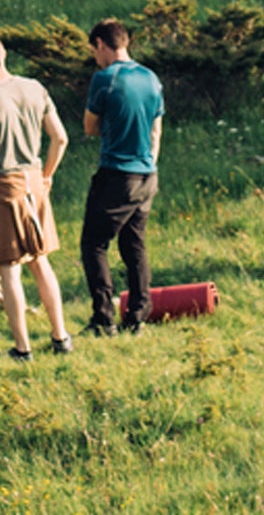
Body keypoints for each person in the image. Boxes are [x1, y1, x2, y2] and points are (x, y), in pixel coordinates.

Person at [0, 32, 72, 360]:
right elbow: (60, 138)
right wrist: (47, 176)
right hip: (34, 182)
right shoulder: (35, 88)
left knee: (9, 270)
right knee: (41, 262)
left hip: (0, 187)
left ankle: (22, 348)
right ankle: (60, 336)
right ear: (4, 55)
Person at [80, 18, 163, 335]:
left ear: (101, 44)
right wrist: (149, 163)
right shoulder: (151, 78)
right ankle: (138, 317)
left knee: (94, 244)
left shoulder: (105, 79)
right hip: (147, 174)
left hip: (117, 173)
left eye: (94, 51)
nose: (94, 57)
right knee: (134, 245)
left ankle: (103, 319)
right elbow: (156, 129)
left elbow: (90, 127)